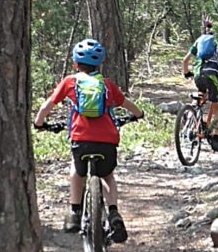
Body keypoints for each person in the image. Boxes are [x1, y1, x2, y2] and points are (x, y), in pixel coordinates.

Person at [34, 37, 144, 241]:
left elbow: (47, 105)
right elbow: (128, 105)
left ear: (75, 63)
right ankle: (113, 213)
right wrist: (139, 115)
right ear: (99, 64)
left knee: (76, 170)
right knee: (108, 175)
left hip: (81, 139)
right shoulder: (108, 86)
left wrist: (39, 123)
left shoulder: (70, 82)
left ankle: (74, 212)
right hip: (108, 140)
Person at [181, 19, 218, 150]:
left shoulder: (200, 40)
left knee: (201, 96)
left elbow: (185, 60)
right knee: (217, 106)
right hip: (212, 74)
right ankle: (216, 137)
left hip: (198, 74)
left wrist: (186, 74)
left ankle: (191, 117)